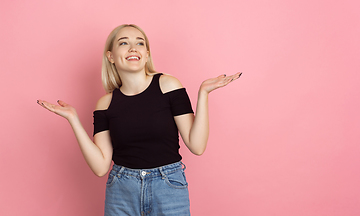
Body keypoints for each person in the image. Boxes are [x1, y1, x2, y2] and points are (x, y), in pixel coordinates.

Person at [37, 24, 241, 216]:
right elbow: (100, 167)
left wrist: (203, 93)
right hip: (121, 190)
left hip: (168, 186)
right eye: (124, 43)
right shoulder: (105, 104)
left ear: (146, 55)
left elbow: (197, 146)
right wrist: (73, 119)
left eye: (140, 43)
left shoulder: (168, 85)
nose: (133, 48)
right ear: (111, 56)